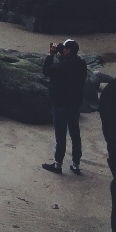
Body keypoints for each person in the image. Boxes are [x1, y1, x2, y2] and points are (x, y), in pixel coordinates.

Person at [41, 38, 88, 175]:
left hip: (60, 104)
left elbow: (46, 71)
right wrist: (61, 55)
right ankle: (76, 164)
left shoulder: (62, 65)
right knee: (75, 134)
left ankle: (58, 165)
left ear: (68, 50)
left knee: (60, 135)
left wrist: (51, 55)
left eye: (65, 49)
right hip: (75, 104)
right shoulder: (81, 64)